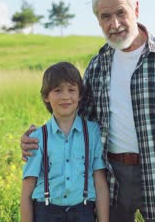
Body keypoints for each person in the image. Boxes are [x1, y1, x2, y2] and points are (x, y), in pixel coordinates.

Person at [21, 0, 155, 222]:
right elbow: (76, 120)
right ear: (98, 21)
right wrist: (39, 138)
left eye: (121, 12)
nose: (114, 24)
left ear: (136, 9)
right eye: (105, 17)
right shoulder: (98, 66)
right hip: (112, 180)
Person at [20, 62, 109, 222]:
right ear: (46, 96)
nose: (65, 96)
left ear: (80, 95)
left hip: (83, 211)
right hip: (46, 212)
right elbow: (26, 191)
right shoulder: (38, 137)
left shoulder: (93, 132)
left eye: (71, 90)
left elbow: (100, 184)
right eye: (58, 90)